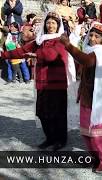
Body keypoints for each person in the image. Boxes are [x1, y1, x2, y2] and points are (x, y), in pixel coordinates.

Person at [1, 12, 69, 151]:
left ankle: (60, 140)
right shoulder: (40, 40)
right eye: (48, 22)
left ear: (58, 26)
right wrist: (4, 55)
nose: (50, 26)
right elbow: (21, 51)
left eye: (54, 23)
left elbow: (51, 56)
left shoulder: (61, 39)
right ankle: (49, 138)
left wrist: (36, 54)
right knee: (42, 112)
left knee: (57, 113)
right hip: (42, 82)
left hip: (57, 83)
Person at [60, 22, 102, 173]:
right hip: (87, 97)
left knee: (98, 132)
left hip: (98, 100)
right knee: (86, 131)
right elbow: (81, 61)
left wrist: (68, 45)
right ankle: (95, 156)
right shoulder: (89, 50)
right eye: (91, 35)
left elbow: (85, 60)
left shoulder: (99, 52)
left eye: (97, 36)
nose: (93, 38)